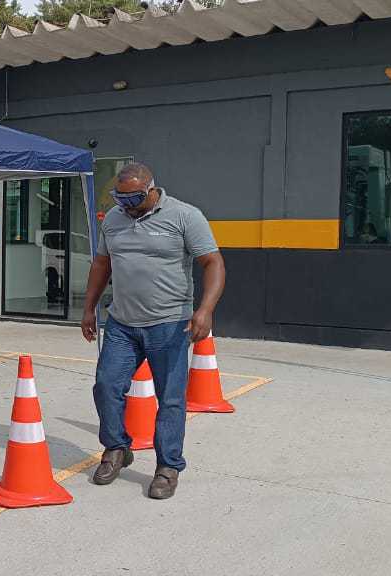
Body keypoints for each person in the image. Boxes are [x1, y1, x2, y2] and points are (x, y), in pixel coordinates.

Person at [81, 161, 226, 500]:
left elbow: (213, 262)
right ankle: (117, 448)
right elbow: (102, 263)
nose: (126, 205)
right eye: (120, 198)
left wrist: (205, 310)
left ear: (151, 190)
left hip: (169, 324)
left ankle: (168, 467)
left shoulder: (185, 216)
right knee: (106, 386)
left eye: (133, 199)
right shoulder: (114, 219)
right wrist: (89, 307)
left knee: (171, 399)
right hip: (122, 324)